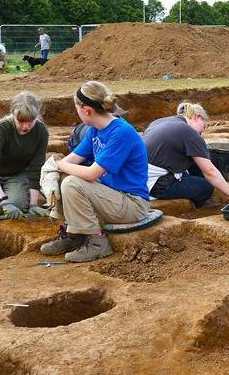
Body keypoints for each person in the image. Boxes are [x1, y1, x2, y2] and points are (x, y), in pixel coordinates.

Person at [40, 81, 150, 262]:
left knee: (72, 182)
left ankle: (98, 242)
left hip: (133, 204)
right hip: (113, 196)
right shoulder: (95, 130)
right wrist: (55, 168)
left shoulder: (121, 132)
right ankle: (74, 234)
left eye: (76, 108)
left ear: (87, 110)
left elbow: (91, 174)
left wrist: (57, 164)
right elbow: (70, 161)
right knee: (63, 176)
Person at [143, 101, 229, 207]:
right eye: (204, 126)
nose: (201, 133)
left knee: (197, 163)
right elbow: (210, 172)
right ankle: (200, 204)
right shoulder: (188, 132)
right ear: (197, 117)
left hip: (140, 176)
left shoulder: (160, 122)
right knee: (206, 187)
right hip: (155, 184)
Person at [0, 92, 49, 220]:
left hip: (16, 173)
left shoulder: (41, 131)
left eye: (31, 121)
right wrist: (4, 202)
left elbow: (36, 168)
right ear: (13, 115)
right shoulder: (1, 128)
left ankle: (12, 194)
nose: (26, 126)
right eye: (21, 121)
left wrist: (33, 204)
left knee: (18, 205)